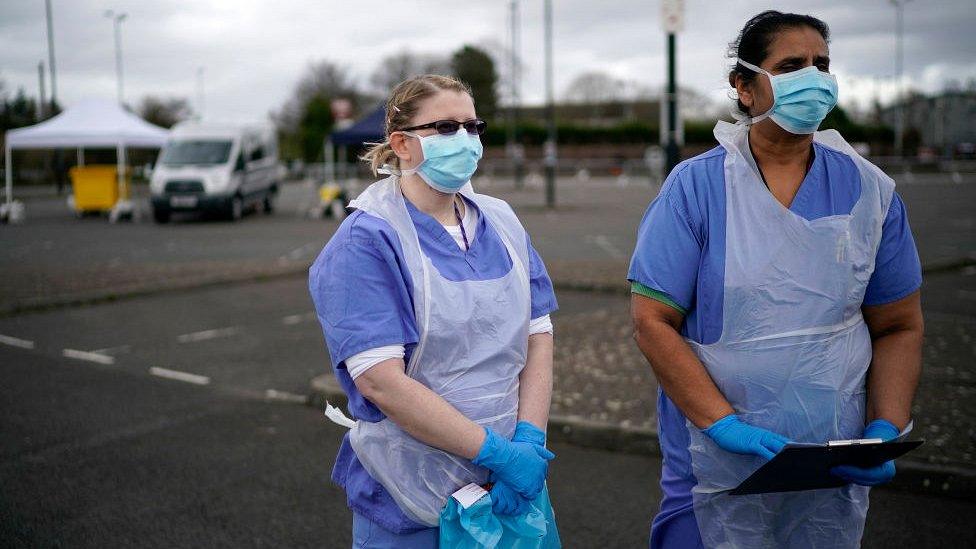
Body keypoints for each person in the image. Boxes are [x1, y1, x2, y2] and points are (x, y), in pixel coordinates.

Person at [629, 11, 924, 548]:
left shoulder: (871, 193)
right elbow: (652, 322)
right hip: (715, 458)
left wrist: (885, 427)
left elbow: (899, 325)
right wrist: (722, 425)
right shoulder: (695, 189)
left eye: (822, 65)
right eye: (791, 66)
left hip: (833, 457)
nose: (813, 78)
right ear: (744, 88)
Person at [309, 75, 560, 548]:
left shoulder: (501, 221)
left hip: (510, 488)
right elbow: (381, 380)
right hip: (411, 493)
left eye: (473, 126)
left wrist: (528, 442)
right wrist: (498, 454)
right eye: (446, 127)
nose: (464, 140)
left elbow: (538, 333)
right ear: (401, 144)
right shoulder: (366, 241)